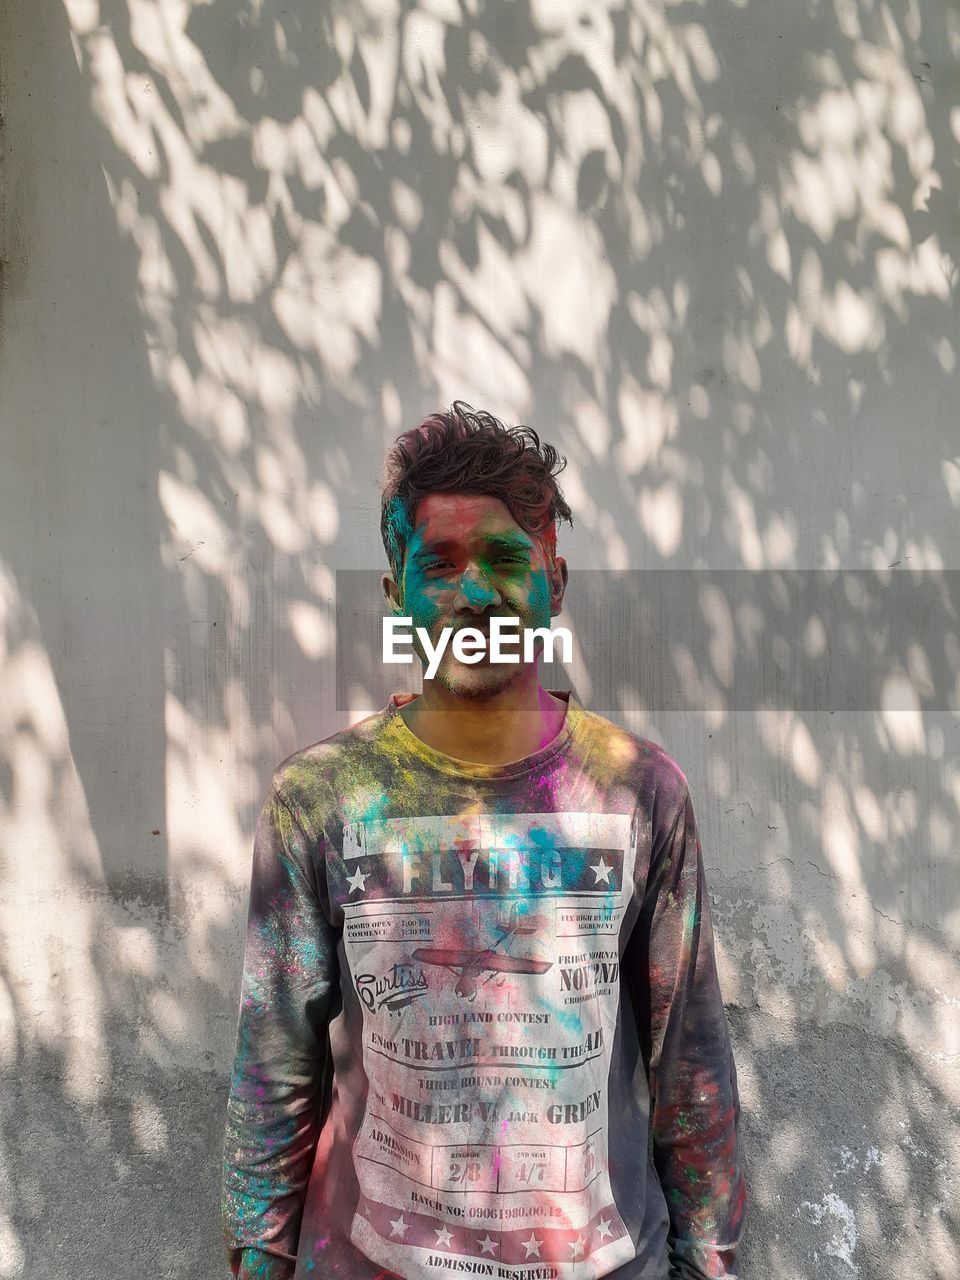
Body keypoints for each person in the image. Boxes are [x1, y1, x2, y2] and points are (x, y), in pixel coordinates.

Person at [220, 402, 747, 1280]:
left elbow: (689, 1062)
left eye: (507, 559)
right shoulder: (319, 801)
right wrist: (255, 1250)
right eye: (440, 565)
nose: (475, 591)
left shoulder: (639, 792)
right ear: (397, 597)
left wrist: (712, 1259)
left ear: (555, 582)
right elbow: (274, 1068)